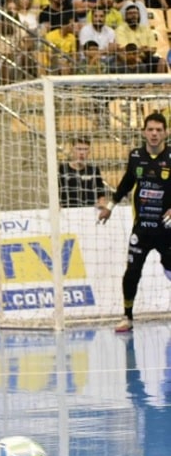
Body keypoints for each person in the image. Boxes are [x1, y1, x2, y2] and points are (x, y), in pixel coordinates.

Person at [97, 112, 171, 333]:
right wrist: (110, 207)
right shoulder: (136, 156)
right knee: (132, 272)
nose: (155, 134)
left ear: (166, 132)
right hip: (142, 229)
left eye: (159, 130)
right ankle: (127, 316)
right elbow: (127, 182)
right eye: (150, 129)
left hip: (167, 229)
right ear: (144, 132)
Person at [114, 3, 166, 73]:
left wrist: (147, 50)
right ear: (125, 16)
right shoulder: (120, 29)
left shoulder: (146, 29)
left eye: (135, 13)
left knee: (161, 61)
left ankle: (160, 83)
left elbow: (153, 48)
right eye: (130, 13)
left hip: (146, 56)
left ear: (139, 15)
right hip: (129, 59)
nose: (133, 16)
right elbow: (123, 49)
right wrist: (140, 49)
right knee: (136, 60)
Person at [58, 137, 108, 208]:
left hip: (89, 211)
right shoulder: (63, 168)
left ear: (89, 152)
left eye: (85, 149)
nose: (82, 152)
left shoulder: (94, 170)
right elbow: (56, 191)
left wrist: (101, 203)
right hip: (68, 212)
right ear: (72, 150)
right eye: (79, 149)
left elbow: (101, 194)